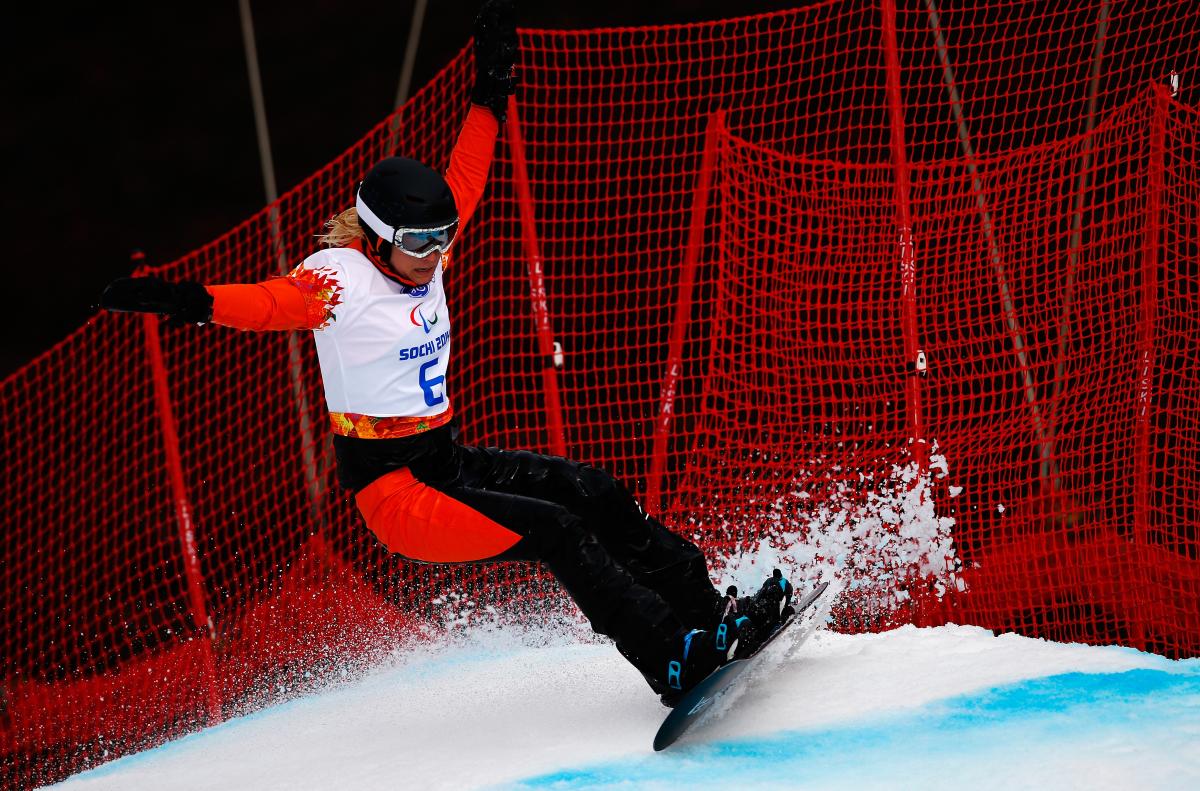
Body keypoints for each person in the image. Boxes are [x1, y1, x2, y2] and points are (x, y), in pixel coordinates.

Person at [100, 0, 793, 707]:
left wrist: (490, 90)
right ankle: (669, 661)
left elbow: (468, 173)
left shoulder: (423, 249)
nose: (434, 257)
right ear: (374, 238)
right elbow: (271, 302)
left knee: (596, 491)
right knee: (558, 530)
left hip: (445, 462)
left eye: (441, 240)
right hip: (395, 493)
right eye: (417, 244)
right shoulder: (342, 280)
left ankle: (711, 617)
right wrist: (187, 301)